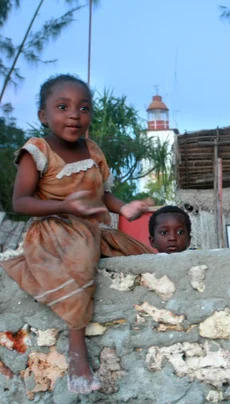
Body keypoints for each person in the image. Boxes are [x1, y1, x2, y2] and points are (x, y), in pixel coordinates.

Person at [0, 74, 153, 393]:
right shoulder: (37, 151)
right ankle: (78, 357)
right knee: (81, 252)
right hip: (52, 232)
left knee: (143, 257)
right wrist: (64, 207)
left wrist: (124, 209)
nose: (74, 114)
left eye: (83, 108)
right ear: (44, 116)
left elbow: (104, 195)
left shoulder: (92, 151)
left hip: (92, 229)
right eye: (62, 106)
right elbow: (20, 202)